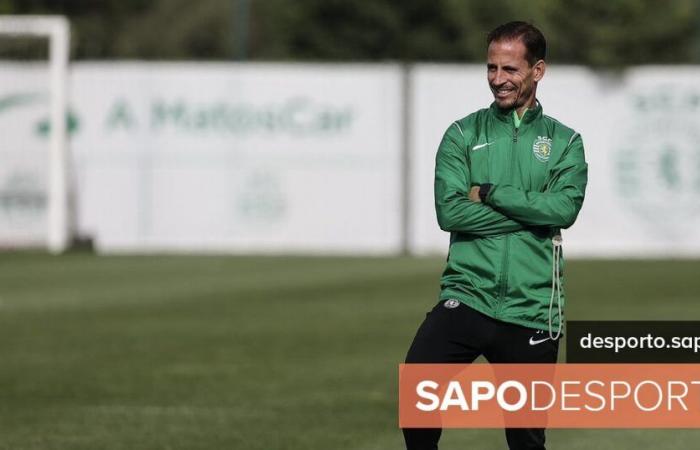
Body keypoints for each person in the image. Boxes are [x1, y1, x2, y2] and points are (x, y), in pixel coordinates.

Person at [402, 21, 588, 450]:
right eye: (491, 68)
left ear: (537, 71)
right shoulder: (463, 134)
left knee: (525, 440)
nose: (498, 80)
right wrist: (533, 212)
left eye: (510, 69)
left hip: (533, 307)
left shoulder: (565, 142)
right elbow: (450, 211)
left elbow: (565, 209)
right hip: (469, 294)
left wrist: (489, 193)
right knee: (417, 390)